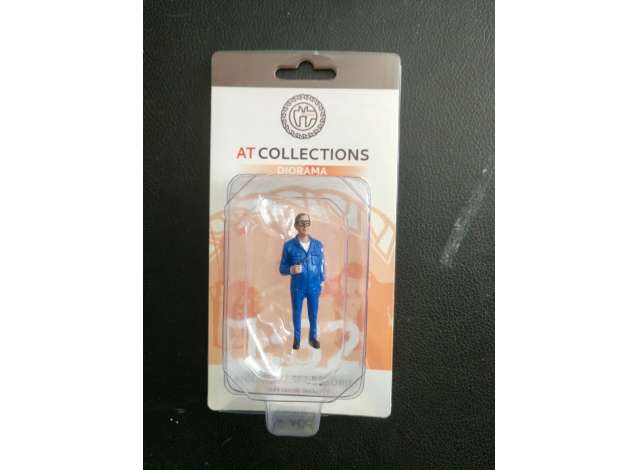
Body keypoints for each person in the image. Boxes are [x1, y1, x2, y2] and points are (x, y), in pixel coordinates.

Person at [279, 213, 325, 350]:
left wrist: (322, 281)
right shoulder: (289, 246)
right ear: (295, 225)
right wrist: (291, 269)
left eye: (307, 223)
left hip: (314, 286)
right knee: (297, 313)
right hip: (298, 287)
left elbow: (322, 265)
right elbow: (282, 268)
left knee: (313, 313)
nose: (305, 226)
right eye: (301, 223)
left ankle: (313, 337)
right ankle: (297, 339)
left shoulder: (318, 245)